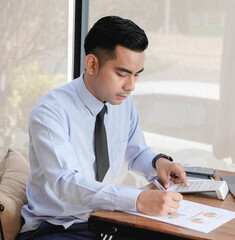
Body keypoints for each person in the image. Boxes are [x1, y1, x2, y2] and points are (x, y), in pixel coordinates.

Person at [17, 16, 188, 240]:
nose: (131, 86)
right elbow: (66, 184)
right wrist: (137, 200)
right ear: (92, 64)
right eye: (122, 74)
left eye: (136, 75)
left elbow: (137, 154)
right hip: (57, 226)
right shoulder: (50, 112)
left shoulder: (122, 103)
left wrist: (159, 163)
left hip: (106, 219)